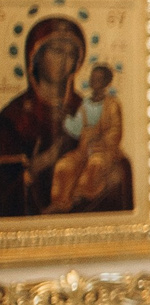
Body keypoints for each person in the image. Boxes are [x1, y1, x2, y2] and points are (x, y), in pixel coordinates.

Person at [0, 17, 88, 216]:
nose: (64, 61)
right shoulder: (13, 117)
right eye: (57, 51)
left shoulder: (85, 110)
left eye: (71, 54)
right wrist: (35, 168)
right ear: (36, 56)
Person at [46, 63, 129, 215]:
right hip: (83, 150)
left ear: (106, 83)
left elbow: (116, 130)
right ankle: (60, 202)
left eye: (98, 79)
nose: (94, 81)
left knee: (95, 163)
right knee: (64, 165)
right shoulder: (85, 103)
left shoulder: (112, 104)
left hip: (104, 151)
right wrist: (64, 118)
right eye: (92, 77)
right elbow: (77, 128)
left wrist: (100, 140)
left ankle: (80, 196)